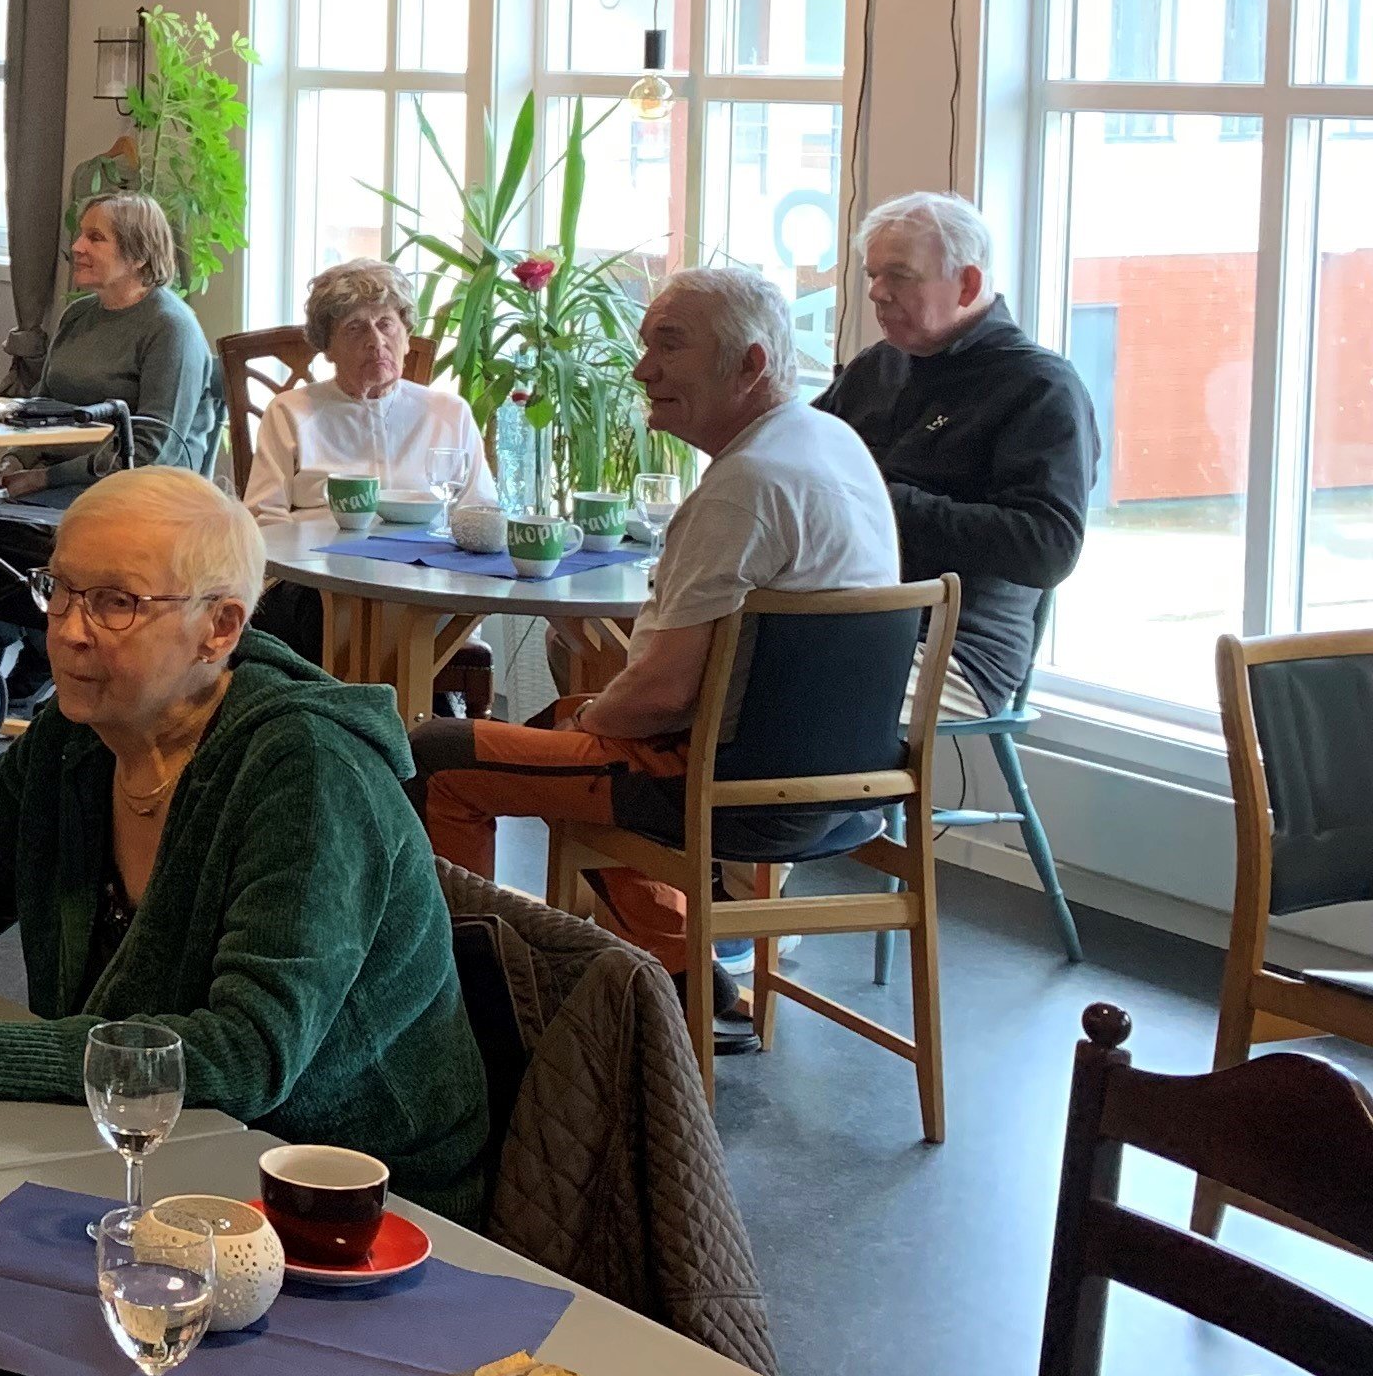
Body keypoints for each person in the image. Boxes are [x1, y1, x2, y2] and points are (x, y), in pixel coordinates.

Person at [0, 468, 489, 1221]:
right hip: (142, 1159)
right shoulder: (76, 738)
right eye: (61, 590)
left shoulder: (308, 772)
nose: (68, 630)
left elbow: (247, 1053)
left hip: (349, 1204)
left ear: (220, 628)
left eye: (117, 603)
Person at [405, 266, 899, 995]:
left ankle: (471, 998)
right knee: (562, 730)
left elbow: (662, 695)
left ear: (751, 364)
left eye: (669, 346)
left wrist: (591, 723)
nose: (643, 370)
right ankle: (684, 973)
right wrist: (587, 722)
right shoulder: (832, 443)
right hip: (844, 786)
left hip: (730, 787)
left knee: (435, 756)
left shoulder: (743, 486)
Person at [817, 192, 1095, 718]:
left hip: (955, 649)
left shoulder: (1039, 387)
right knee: (690, 669)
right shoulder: (878, 366)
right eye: (873, 274)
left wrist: (879, 501)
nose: (876, 292)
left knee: (764, 702)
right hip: (836, 617)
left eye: (899, 275)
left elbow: (1048, 547)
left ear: (967, 284)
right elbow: (800, 460)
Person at [243, 256, 485, 515]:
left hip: (421, 543)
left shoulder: (450, 414)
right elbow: (263, 517)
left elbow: (480, 512)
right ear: (327, 347)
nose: (376, 341)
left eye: (385, 324)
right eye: (355, 328)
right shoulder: (290, 412)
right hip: (317, 541)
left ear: (407, 338)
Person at [9, 190, 218, 483]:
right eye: (81, 234)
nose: (77, 246)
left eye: (95, 238)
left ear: (139, 256)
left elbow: (154, 449)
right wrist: (15, 460)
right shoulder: (76, 315)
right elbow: (40, 409)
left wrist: (47, 478)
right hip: (59, 478)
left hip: (139, 489)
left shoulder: (171, 328)